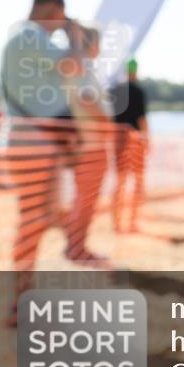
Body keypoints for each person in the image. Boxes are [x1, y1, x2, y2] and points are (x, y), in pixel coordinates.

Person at [0, 0, 85, 272]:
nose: (62, 23)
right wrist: (75, 36)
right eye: (62, 17)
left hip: (27, 137)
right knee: (32, 219)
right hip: (33, 139)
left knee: (37, 217)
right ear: (52, 10)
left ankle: (20, 290)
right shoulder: (32, 35)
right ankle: (16, 297)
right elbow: (74, 64)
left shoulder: (23, 35)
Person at [66, 27, 113, 263]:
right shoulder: (82, 69)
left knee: (83, 200)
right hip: (91, 148)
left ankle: (75, 247)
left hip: (88, 146)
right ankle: (77, 249)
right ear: (92, 44)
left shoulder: (80, 68)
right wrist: (108, 125)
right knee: (86, 201)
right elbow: (87, 100)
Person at [109, 57, 149, 233]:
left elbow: (110, 119)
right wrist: (147, 140)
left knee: (120, 182)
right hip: (134, 141)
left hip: (118, 140)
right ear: (136, 71)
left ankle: (116, 222)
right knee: (137, 183)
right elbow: (142, 120)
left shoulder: (115, 91)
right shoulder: (138, 92)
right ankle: (132, 222)